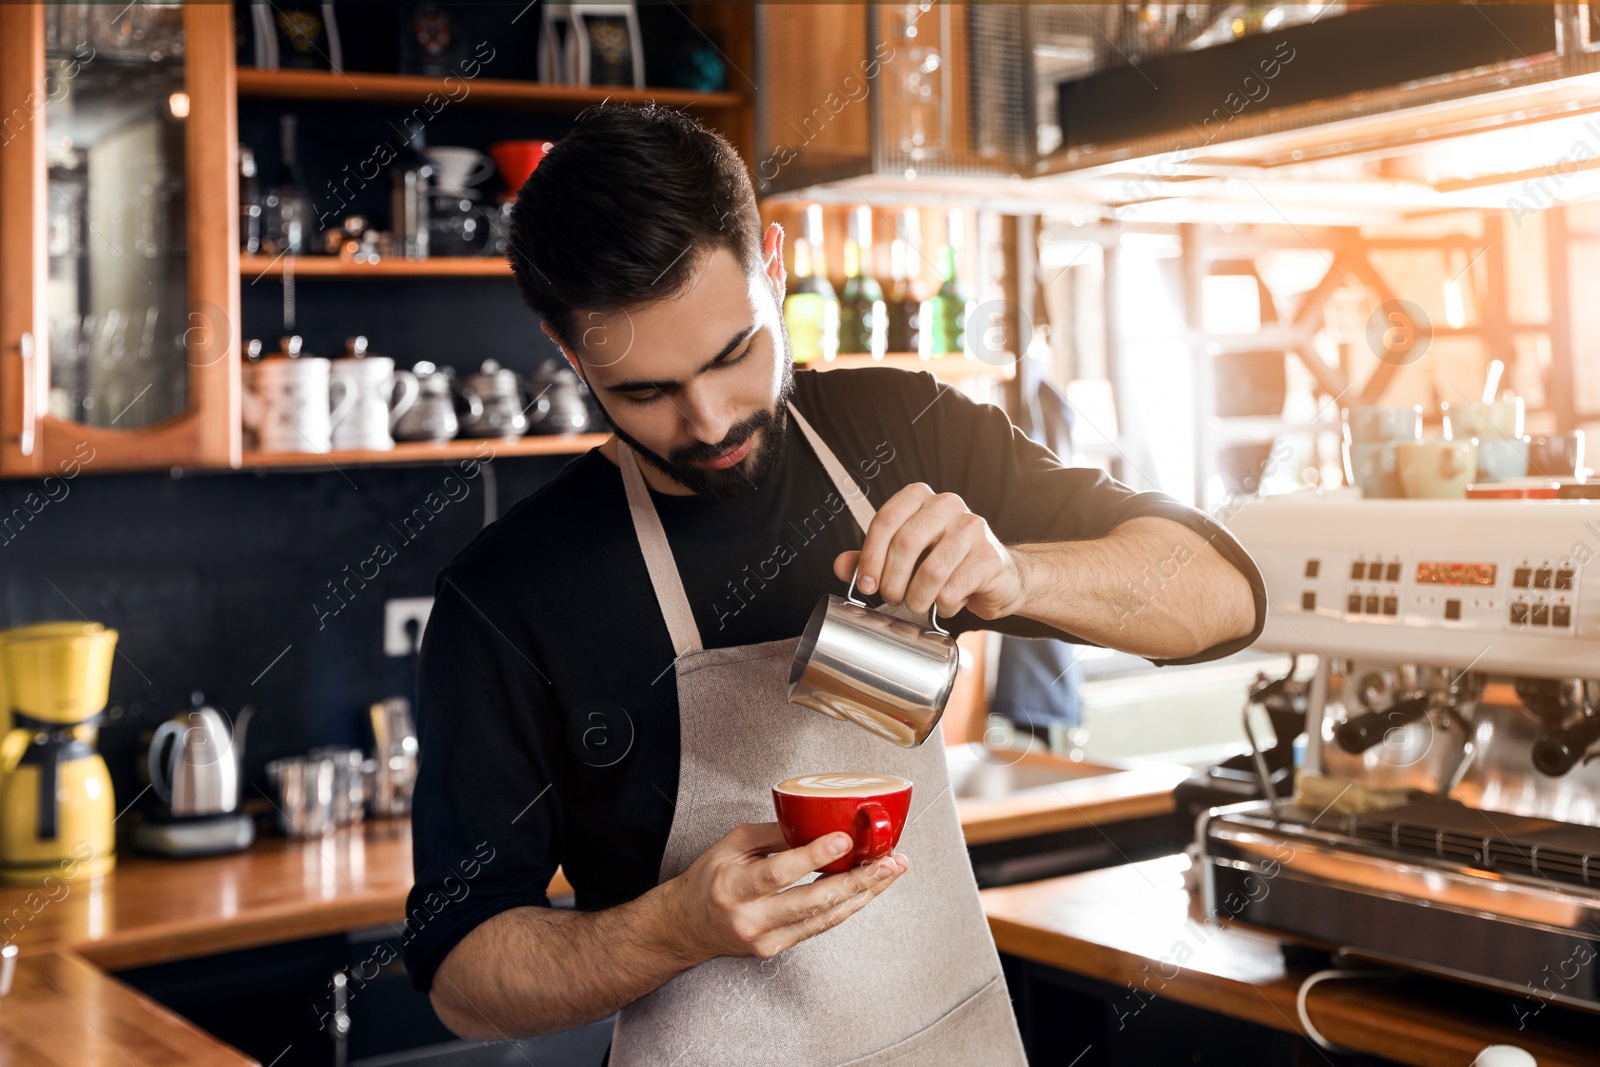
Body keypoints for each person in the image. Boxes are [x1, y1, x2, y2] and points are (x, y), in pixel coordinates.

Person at [403, 103, 1263, 1066]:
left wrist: (1017, 571)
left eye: (735, 353)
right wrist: (672, 930)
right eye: (646, 391)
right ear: (573, 358)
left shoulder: (903, 429)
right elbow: (460, 973)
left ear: (772, 265)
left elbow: (1224, 597)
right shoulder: (510, 591)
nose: (713, 420)